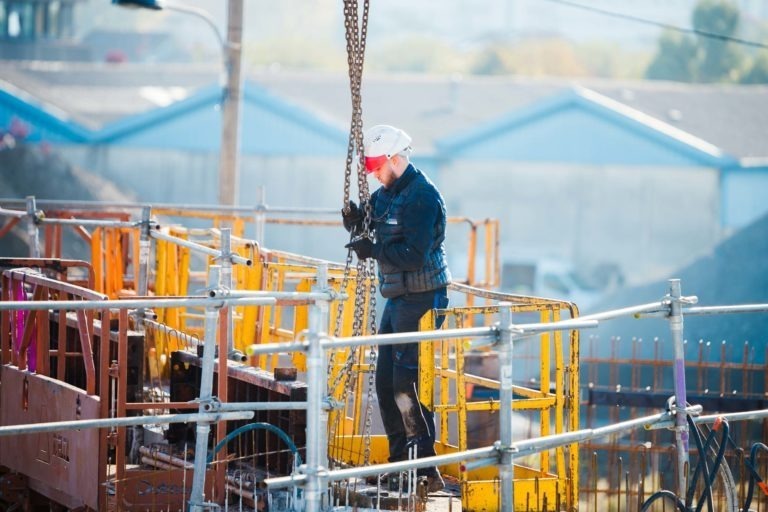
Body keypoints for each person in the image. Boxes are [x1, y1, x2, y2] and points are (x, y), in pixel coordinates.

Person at [342, 124, 451, 493]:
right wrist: (357, 219)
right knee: (385, 381)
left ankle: (421, 467)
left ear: (394, 159)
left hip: (423, 297)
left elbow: (414, 255)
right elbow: (372, 219)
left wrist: (373, 251)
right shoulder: (388, 193)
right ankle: (398, 462)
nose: (372, 173)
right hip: (398, 296)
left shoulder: (422, 198)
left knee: (407, 384)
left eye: (375, 165)